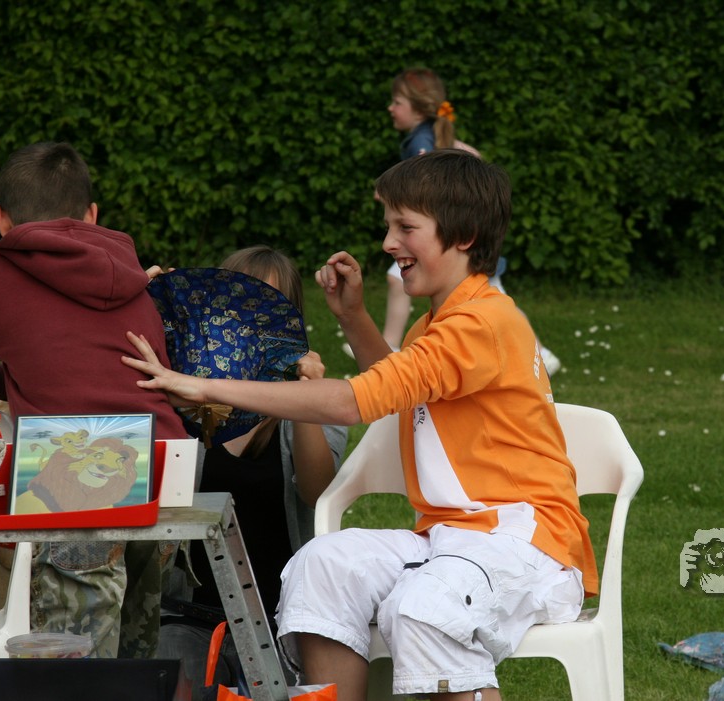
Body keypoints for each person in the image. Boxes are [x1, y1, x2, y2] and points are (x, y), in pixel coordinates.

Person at [122, 150, 595, 701]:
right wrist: (352, 316)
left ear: (463, 236)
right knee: (320, 566)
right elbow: (396, 390)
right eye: (389, 226)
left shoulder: (480, 323)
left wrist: (204, 387)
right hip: (451, 540)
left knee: (423, 607)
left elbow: (353, 402)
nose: (389, 243)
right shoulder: (441, 322)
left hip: (527, 546)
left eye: (405, 227)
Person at [0, 141, 190, 659]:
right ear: (91, 215)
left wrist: (12, 378)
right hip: (166, 467)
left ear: (2, 219)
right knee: (136, 657)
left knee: (72, 666)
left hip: (76, 479)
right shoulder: (133, 275)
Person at [157, 245, 348, 697]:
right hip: (190, 616)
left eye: (266, 309)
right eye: (236, 306)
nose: (249, 323)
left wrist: (305, 397)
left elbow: (316, 491)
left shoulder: (319, 399)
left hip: (284, 622)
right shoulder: (180, 396)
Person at [374, 67, 561, 375]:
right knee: (499, 300)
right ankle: (540, 354)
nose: (390, 108)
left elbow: (423, 191)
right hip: (451, 237)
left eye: (397, 102)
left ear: (418, 107)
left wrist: (391, 194)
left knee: (495, 302)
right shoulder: (433, 135)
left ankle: (390, 345)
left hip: (449, 236)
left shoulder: (421, 143)